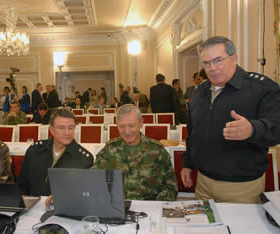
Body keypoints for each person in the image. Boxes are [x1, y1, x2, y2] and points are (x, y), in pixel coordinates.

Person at [181, 36, 280, 204]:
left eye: (218, 60)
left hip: (241, 187)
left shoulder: (261, 89)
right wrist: (187, 163)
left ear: (234, 58)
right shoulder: (200, 92)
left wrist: (253, 129)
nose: (212, 68)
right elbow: (193, 133)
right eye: (206, 63)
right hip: (203, 183)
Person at [93, 104, 178, 201]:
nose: (127, 131)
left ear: (141, 123)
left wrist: (155, 207)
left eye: (131, 125)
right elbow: (95, 180)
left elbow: (171, 188)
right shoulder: (109, 150)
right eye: (122, 126)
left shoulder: (157, 151)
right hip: (117, 208)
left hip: (149, 210)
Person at [18, 108, 94, 196]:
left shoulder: (84, 159)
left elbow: (86, 194)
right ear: (52, 130)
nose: (67, 133)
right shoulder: (35, 151)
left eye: (71, 128)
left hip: (65, 208)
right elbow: (22, 187)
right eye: (61, 128)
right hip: (33, 207)